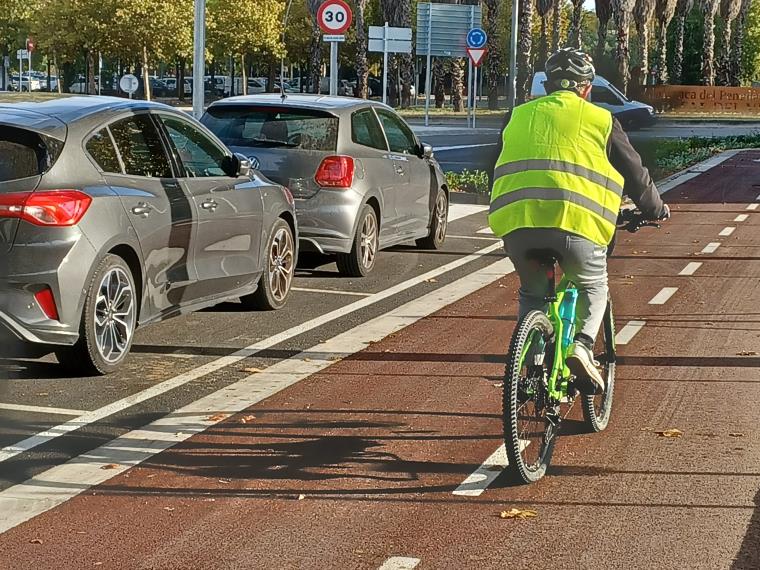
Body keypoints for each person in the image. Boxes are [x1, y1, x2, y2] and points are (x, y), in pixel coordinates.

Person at [489, 47, 669, 395]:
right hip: (577, 226)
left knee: (533, 292)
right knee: (593, 284)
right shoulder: (601, 120)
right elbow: (635, 175)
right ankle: (583, 347)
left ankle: (530, 369)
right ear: (586, 88)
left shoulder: (518, 116)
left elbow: (498, 164)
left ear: (547, 86)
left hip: (516, 224)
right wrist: (655, 208)